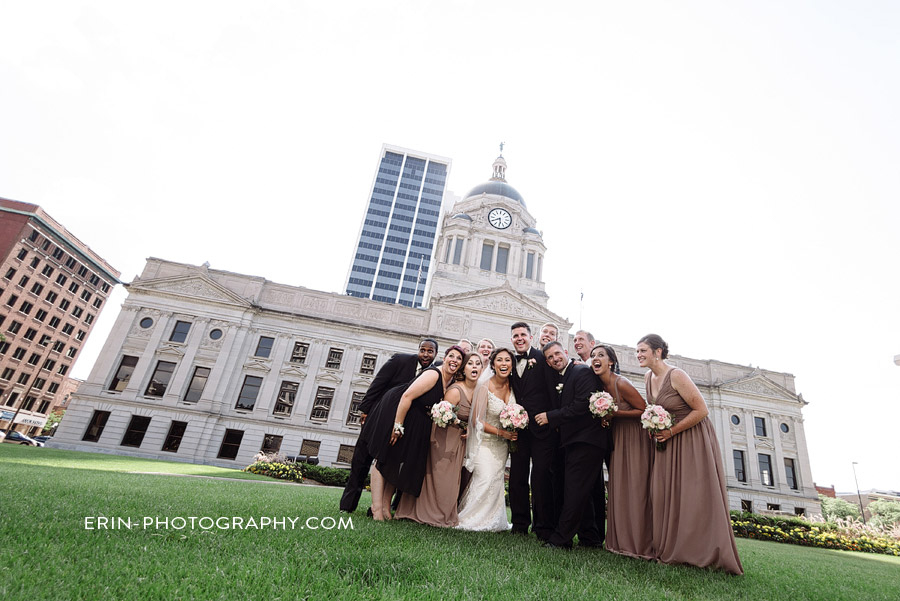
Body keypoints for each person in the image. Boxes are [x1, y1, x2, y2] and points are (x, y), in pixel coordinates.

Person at [637, 334, 743, 575]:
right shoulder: (647, 377)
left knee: (693, 495)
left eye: (643, 350)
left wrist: (672, 430)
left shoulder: (676, 375)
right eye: (637, 352)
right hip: (667, 441)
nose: (639, 355)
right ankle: (672, 548)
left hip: (691, 439)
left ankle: (701, 552)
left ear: (658, 352)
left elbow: (702, 410)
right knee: (665, 493)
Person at [364, 346, 465, 521]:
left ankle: (387, 507)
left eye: (459, 359)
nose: (454, 360)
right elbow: (406, 397)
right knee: (383, 458)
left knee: (397, 462)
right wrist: (398, 426)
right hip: (397, 411)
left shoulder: (451, 381)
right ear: (445, 357)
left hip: (416, 419)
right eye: (451, 356)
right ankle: (377, 509)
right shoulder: (434, 374)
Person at [340, 339, 438, 513]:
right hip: (378, 418)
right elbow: (378, 384)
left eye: (430, 352)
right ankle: (347, 506)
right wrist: (365, 410)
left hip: (399, 426)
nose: (425, 354)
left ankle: (378, 508)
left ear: (435, 354)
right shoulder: (400, 360)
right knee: (361, 462)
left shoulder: (432, 373)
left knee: (387, 465)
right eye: (422, 350)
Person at [534, 342, 611, 549]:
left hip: (586, 441)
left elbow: (583, 405)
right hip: (575, 442)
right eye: (550, 357)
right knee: (583, 492)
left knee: (574, 492)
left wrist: (551, 417)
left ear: (565, 353)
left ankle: (561, 540)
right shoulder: (565, 376)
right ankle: (591, 539)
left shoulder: (582, 372)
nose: (554, 359)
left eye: (557, 354)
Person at [395, 352, 483, 527]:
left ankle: (443, 513)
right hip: (444, 438)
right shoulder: (455, 390)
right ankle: (430, 514)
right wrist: (461, 425)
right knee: (441, 477)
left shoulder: (480, 391)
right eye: (470, 363)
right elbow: (442, 416)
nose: (474, 366)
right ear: (463, 369)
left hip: (460, 441)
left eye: (478, 363)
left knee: (451, 481)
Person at [591, 344, 652, 559]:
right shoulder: (598, 387)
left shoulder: (621, 383)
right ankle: (619, 540)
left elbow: (642, 410)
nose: (595, 359)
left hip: (634, 438)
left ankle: (640, 543)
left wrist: (613, 413)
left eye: (601, 355)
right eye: (593, 356)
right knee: (619, 487)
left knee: (634, 487)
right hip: (616, 438)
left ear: (611, 362)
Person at [508, 322, 559, 540]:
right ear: (512, 339)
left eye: (523, 335)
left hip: (541, 429)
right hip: (518, 429)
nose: (519, 338)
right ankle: (519, 524)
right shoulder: (508, 360)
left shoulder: (543, 358)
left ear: (531, 337)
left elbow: (554, 388)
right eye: (515, 335)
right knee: (517, 475)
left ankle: (543, 526)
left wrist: (551, 417)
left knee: (540, 477)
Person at [457, 348, 518, 532]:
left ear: (512, 365)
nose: (504, 363)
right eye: (499, 360)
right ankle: (471, 518)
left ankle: (494, 520)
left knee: (496, 480)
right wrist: (503, 433)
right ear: (493, 364)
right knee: (485, 478)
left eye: (507, 360)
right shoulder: (484, 386)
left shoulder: (514, 385)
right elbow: (477, 420)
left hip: (502, 446)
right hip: (485, 442)